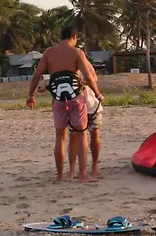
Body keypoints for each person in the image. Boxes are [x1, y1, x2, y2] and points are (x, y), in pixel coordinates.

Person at [26, 26, 104, 183]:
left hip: (58, 100)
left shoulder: (49, 53)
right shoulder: (77, 52)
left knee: (60, 137)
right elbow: (89, 77)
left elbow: (37, 74)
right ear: (74, 37)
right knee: (81, 134)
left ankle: (60, 176)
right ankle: (83, 175)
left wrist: (30, 94)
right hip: (75, 98)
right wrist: (97, 93)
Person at [68, 66, 103, 178]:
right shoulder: (66, 66)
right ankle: (72, 169)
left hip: (92, 106)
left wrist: (85, 81)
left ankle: (94, 165)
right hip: (74, 108)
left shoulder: (85, 65)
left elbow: (94, 78)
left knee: (94, 134)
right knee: (73, 137)